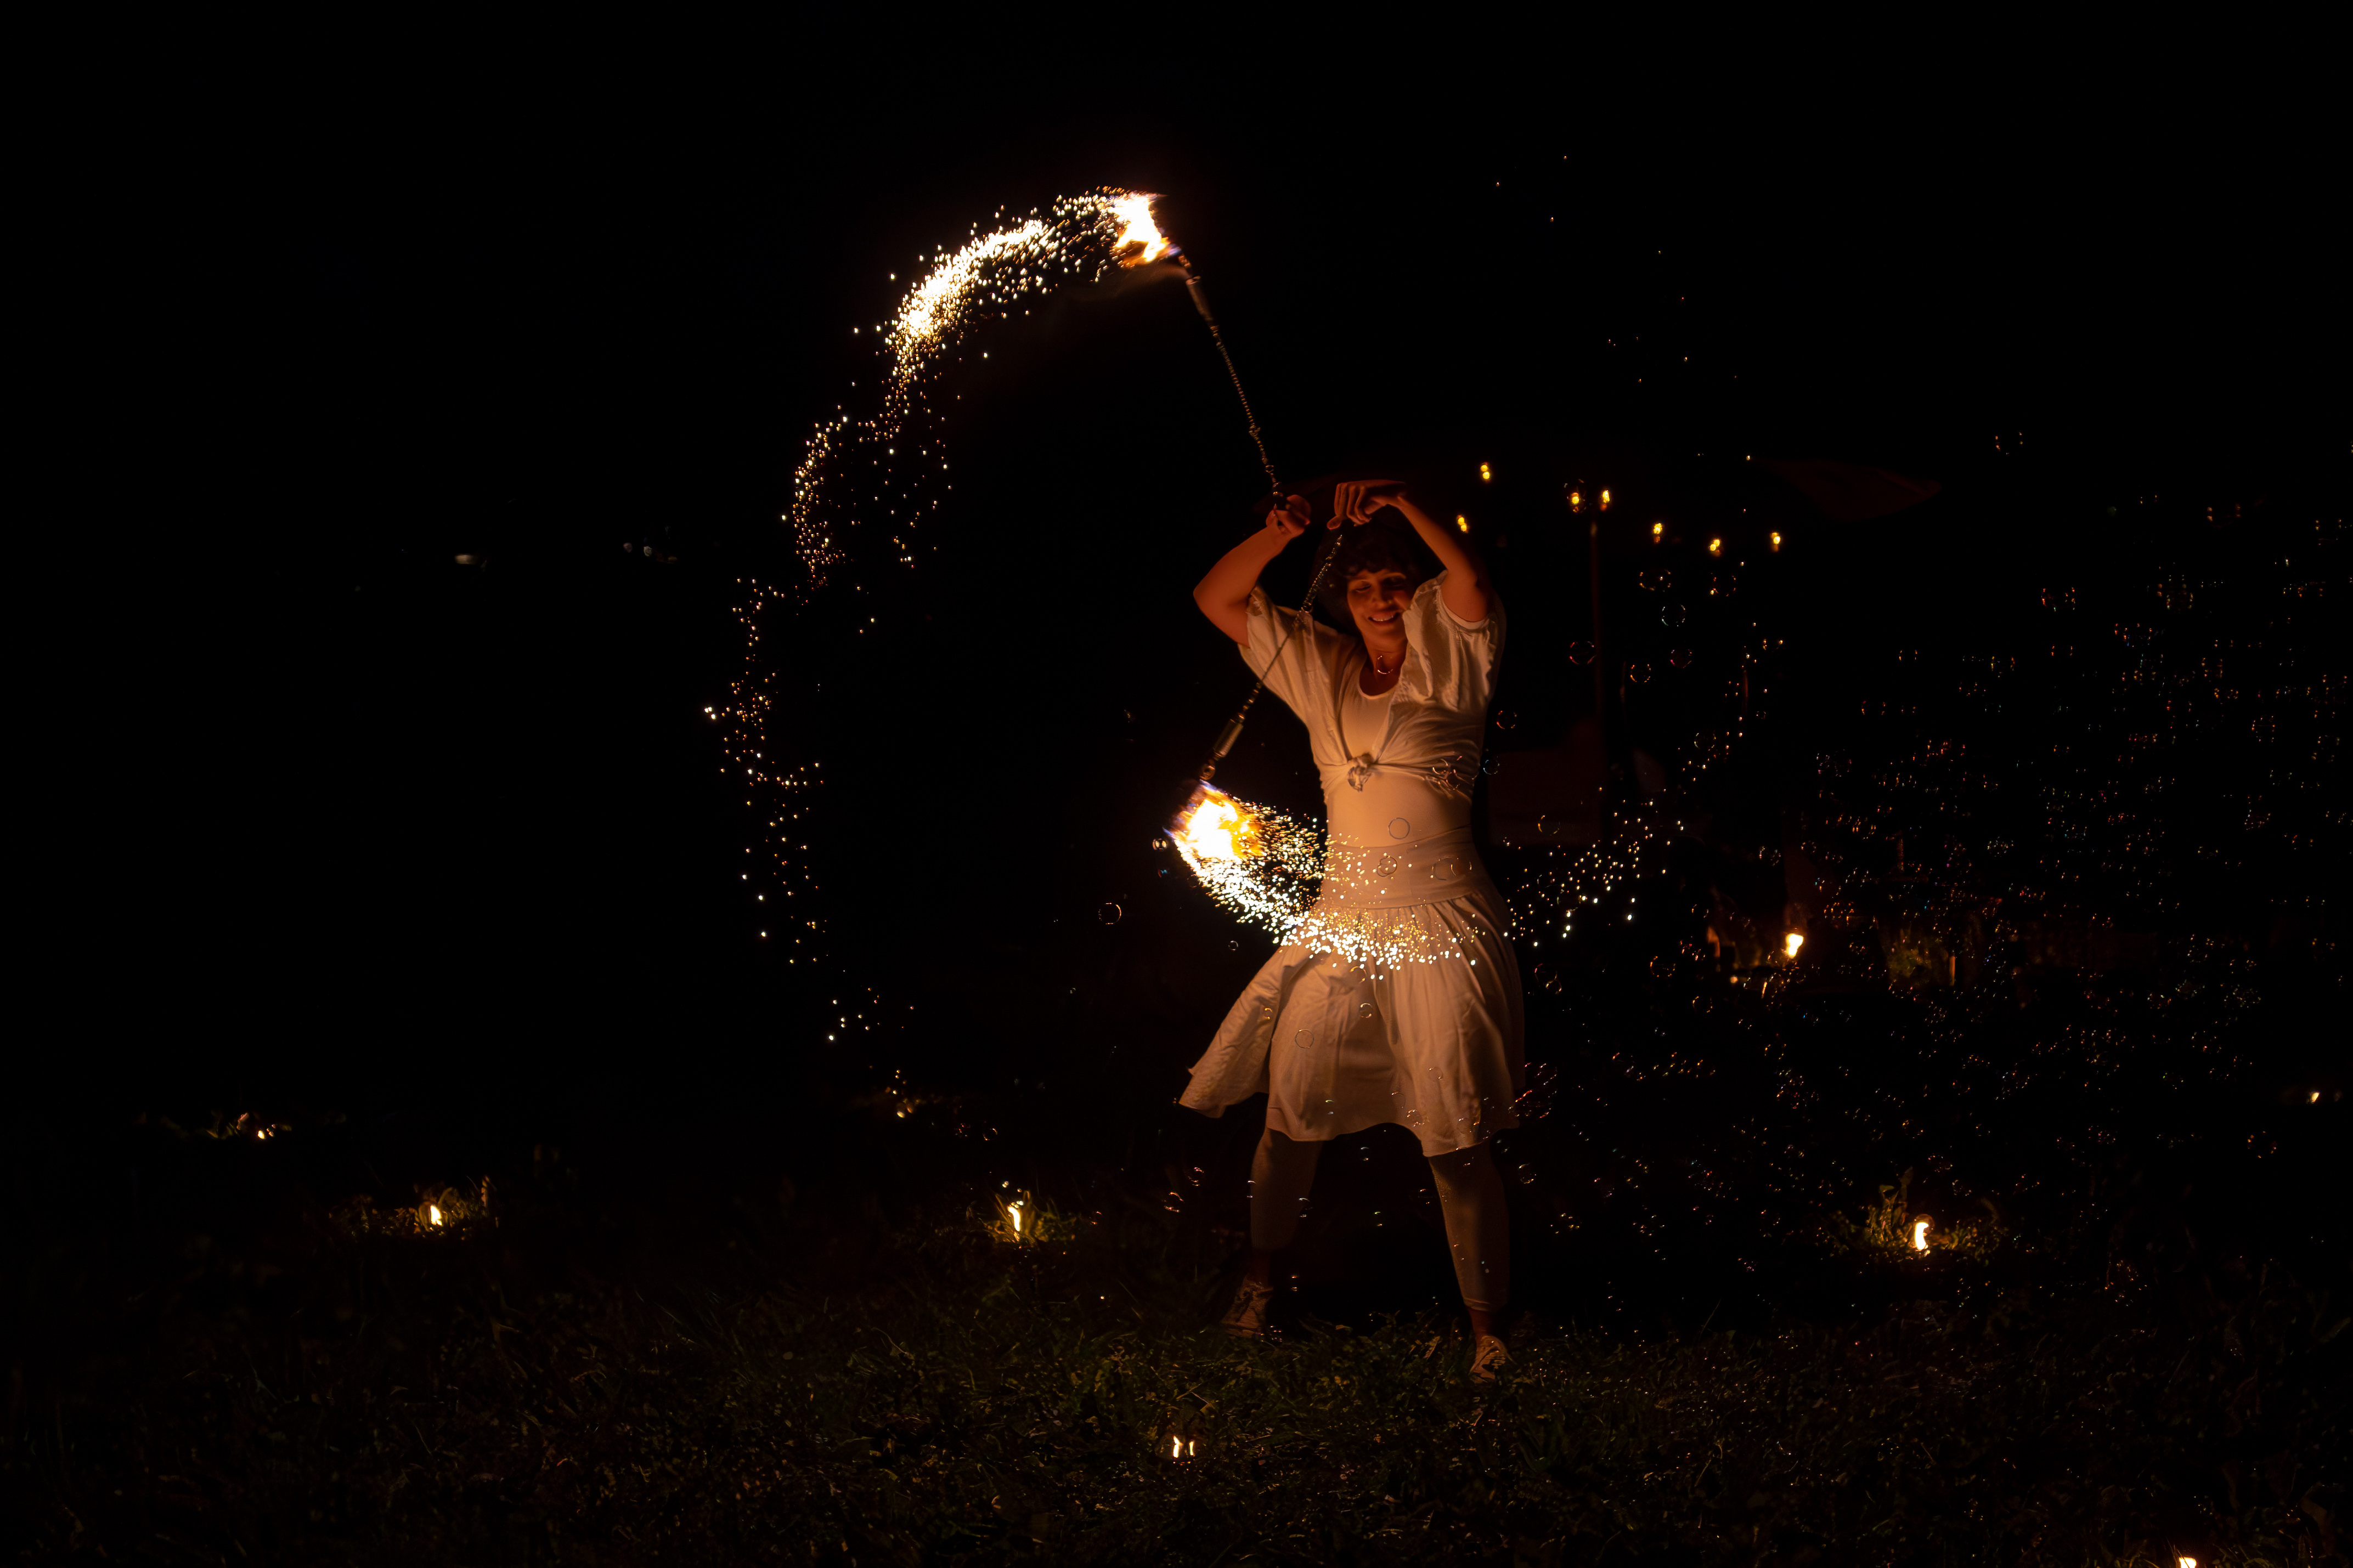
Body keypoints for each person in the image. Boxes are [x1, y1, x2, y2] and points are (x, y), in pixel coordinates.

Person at [1182, 479, 1525, 1382]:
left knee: (1454, 1135)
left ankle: (1487, 1331)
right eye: (1363, 585)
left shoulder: (1456, 660)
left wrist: (1403, 502)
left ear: (1415, 593)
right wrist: (1278, 532)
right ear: (1342, 597)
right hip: (1341, 921)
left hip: (1439, 921)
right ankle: (1258, 1284)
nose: (1379, 598)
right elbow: (1216, 597)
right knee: (1290, 1114)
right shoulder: (1321, 666)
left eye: (1394, 584)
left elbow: (1469, 578)